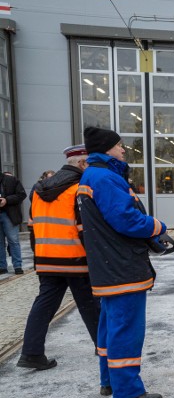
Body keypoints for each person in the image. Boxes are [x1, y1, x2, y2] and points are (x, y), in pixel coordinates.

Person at [77, 126, 174, 398]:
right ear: (107, 149)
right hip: (121, 266)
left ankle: (110, 380)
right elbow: (126, 220)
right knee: (126, 328)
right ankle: (128, 392)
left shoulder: (93, 176)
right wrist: (158, 226)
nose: (123, 150)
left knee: (109, 325)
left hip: (108, 265)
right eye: (120, 146)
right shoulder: (105, 177)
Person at [17, 146, 100, 373]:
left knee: (43, 305)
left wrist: (38, 257)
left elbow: (32, 227)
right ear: (83, 165)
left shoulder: (38, 189)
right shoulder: (78, 189)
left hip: (46, 258)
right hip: (75, 257)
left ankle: (31, 353)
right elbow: (85, 229)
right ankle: (103, 346)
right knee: (90, 304)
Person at [0, 170, 27, 275]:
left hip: (9, 215)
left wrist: (6, 200)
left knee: (13, 241)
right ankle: (2, 266)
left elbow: (22, 194)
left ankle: (17, 266)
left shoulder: (11, 180)